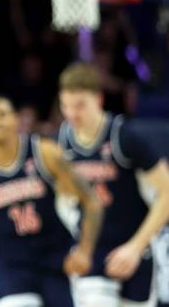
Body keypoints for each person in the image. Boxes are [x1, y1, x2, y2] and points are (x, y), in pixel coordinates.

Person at [0, 96, 103, 307]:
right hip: (9, 266)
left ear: (16, 119)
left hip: (55, 259)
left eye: (2, 114)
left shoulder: (45, 152)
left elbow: (91, 201)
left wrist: (84, 251)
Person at [58, 62, 169, 307]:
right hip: (92, 251)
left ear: (98, 99)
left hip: (135, 246)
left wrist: (136, 247)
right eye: (65, 106)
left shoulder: (124, 137)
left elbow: (167, 194)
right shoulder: (63, 141)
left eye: (79, 105)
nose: (72, 114)